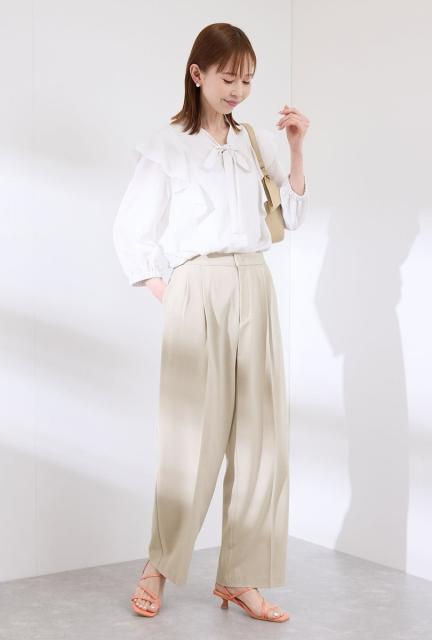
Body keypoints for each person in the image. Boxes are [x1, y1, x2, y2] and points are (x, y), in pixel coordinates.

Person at [112, 22, 310, 623]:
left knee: (261, 439)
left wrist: (297, 148)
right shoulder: (168, 145)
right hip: (196, 286)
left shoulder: (254, 142)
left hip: (255, 283)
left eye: (247, 80)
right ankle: (158, 566)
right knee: (189, 438)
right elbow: (131, 232)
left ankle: (241, 576)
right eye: (228, 78)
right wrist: (169, 293)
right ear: (197, 74)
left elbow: (293, 215)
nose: (238, 90)